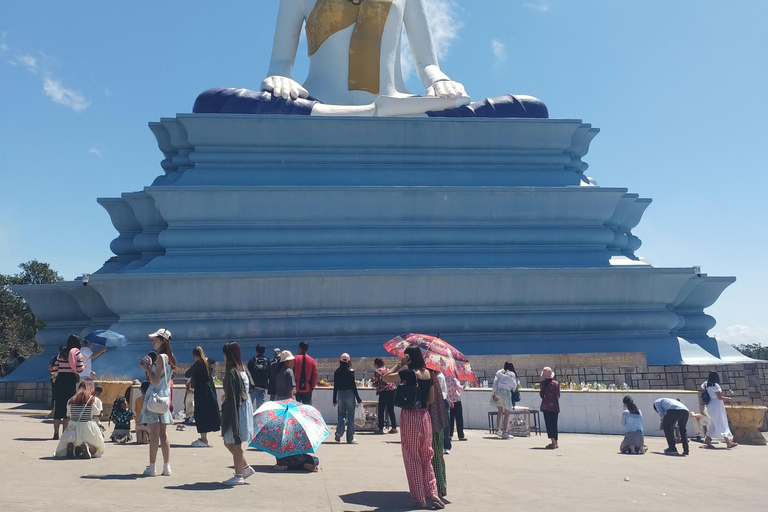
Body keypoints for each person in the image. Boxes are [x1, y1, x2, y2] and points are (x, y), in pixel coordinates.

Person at [193, 0, 548, 119]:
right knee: (212, 102)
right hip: (311, 105)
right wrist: (280, 78)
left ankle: (380, 113)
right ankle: (372, 115)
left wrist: (439, 81)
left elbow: (428, 64)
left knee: (528, 109)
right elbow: (280, 65)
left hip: (404, 103)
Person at [382, 345, 445, 509]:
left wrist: (400, 364)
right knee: (426, 456)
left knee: (412, 457)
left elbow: (385, 378)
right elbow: (430, 400)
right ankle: (432, 492)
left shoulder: (409, 373)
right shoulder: (429, 374)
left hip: (410, 416)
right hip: (425, 416)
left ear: (408, 357)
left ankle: (420, 498)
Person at [137, 328, 176, 476]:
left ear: (163, 341)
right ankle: (167, 466)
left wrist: (147, 369)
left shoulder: (160, 357)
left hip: (154, 398)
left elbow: (155, 380)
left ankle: (152, 467)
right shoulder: (170, 357)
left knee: (154, 434)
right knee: (163, 434)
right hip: (164, 398)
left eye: (156, 340)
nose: (153, 342)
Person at [220, 342, 256, 486]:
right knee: (230, 441)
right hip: (244, 406)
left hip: (236, 408)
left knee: (234, 442)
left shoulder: (231, 371)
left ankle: (239, 474)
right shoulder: (243, 368)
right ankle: (245, 468)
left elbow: (231, 396)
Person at [54, 379, 105, 459]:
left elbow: (69, 415)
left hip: (73, 427)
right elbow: (96, 415)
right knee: (97, 449)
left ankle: (73, 448)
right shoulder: (94, 400)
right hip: (88, 427)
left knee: (74, 444)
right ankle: (87, 447)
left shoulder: (71, 400)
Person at [185, 346, 221, 448]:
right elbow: (213, 360)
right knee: (207, 412)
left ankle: (203, 439)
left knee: (201, 413)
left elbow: (187, 374)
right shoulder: (207, 361)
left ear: (194, 356)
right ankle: (204, 438)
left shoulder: (199, 363)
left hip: (201, 391)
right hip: (209, 389)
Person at [50, 335, 85, 440]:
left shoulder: (61, 353)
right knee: (68, 408)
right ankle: (64, 434)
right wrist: (84, 366)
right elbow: (79, 369)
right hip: (70, 381)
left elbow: (55, 368)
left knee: (58, 407)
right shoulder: (77, 353)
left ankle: (55, 433)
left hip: (60, 381)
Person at [701, 371, 738, 449]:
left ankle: (707, 440)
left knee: (714, 423)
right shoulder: (716, 385)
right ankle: (728, 442)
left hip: (710, 404)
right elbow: (719, 397)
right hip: (717, 405)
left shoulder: (706, 384)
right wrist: (728, 398)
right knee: (721, 422)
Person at [427, 370, 449, 497]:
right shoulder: (439, 376)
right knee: (439, 455)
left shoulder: (431, 378)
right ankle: (442, 485)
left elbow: (430, 400)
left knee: (434, 455)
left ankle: (438, 487)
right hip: (440, 417)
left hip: (432, 418)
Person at [333, 353, 362, 444]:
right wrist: (358, 398)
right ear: (349, 362)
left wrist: (334, 399)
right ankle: (350, 438)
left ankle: (339, 432)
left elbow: (335, 386)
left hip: (340, 394)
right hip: (349, 394)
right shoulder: (350, 372)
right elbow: (353, 386)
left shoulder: (337, 372)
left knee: (341, 415)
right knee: (350, 416)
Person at [491, 362, 518, 439]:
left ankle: (497, 429)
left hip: (498, 391)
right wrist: (514, 388)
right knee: (507, 413)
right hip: (506, 392)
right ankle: (505, 432)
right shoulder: (511, 374)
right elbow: (513, 384)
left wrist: (493, 393)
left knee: (500, 411)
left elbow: (495, 382)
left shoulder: (499, 372)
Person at [372, 357, 397, 434]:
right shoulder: (388, 369)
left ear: (376, 364)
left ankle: (380, 428)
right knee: (391, 410)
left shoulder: (377, 371)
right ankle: (394, 427)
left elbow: (377, 382)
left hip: (383, 391)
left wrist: (373, 383)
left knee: (381, 410)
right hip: (391, 390)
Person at [539, 366, 560, 449]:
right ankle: (556, 442)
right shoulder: (556, 384)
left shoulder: (543, 384)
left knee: (549, 424)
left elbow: (542, 395)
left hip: (546, 406)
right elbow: (558, 395)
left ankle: (553, 442)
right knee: (554, 424)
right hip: (555, 406)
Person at [293, 341, 318, 405]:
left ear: (300, 348)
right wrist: (311, 387)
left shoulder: (295, 359)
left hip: (297, 388)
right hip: (307, 388)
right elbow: (315, 375)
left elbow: (291, 372)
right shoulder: (312, 360)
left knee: (296, 408)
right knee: (307, 408)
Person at [247, 344, 270, 410]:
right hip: (262, 387)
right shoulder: (267, 361)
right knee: (260, 409)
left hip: (252, 387)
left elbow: (248, 374)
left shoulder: (252, 361)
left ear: (256, 351)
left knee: (249, 408)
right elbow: (270, 374)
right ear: (264, 351)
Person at [446, 375, 465, 442]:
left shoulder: (444, 378)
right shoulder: (454, 379)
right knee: (459, 418)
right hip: (456, 400)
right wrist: (463, 387)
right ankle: (460, 435)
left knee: (450, 419)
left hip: (448, 400)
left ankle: (450, 435)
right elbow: (459, 388)